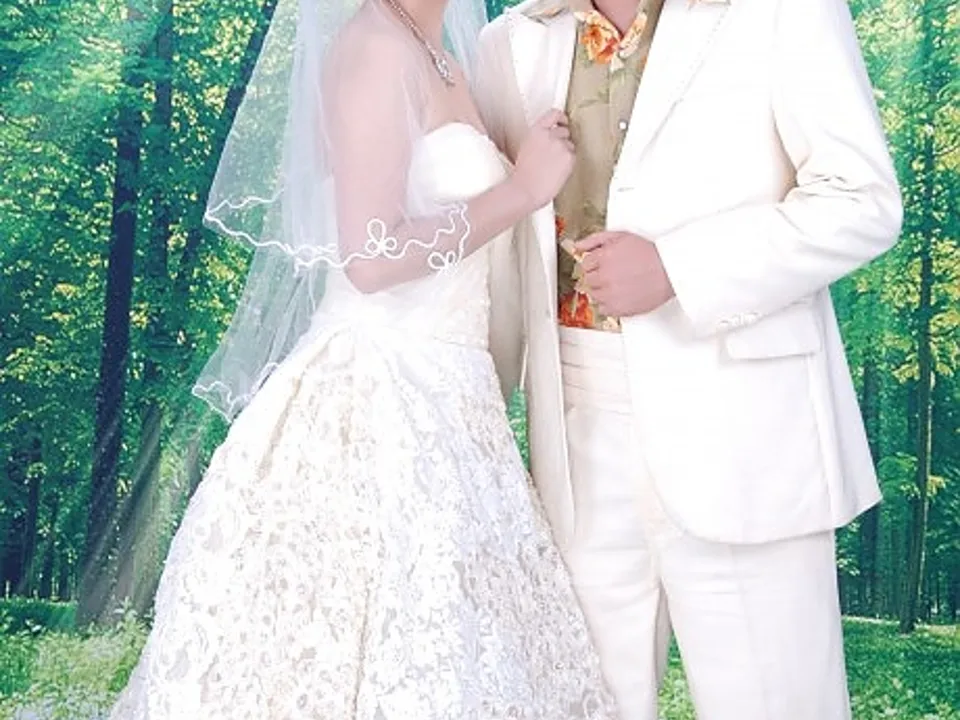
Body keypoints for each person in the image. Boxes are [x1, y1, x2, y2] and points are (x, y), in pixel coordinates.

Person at [108, 0, 617, 717]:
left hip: (455, 401)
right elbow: (371, 258)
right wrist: (522, 190)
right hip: (375, 401)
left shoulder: (442, 54)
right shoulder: (376, 47)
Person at [475, 0, 903, 718]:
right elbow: (499, 252)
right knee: (583, 704)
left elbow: (863, 201)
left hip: (747, 436)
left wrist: (678, 269)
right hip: (570, 443)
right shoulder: (510, 43)